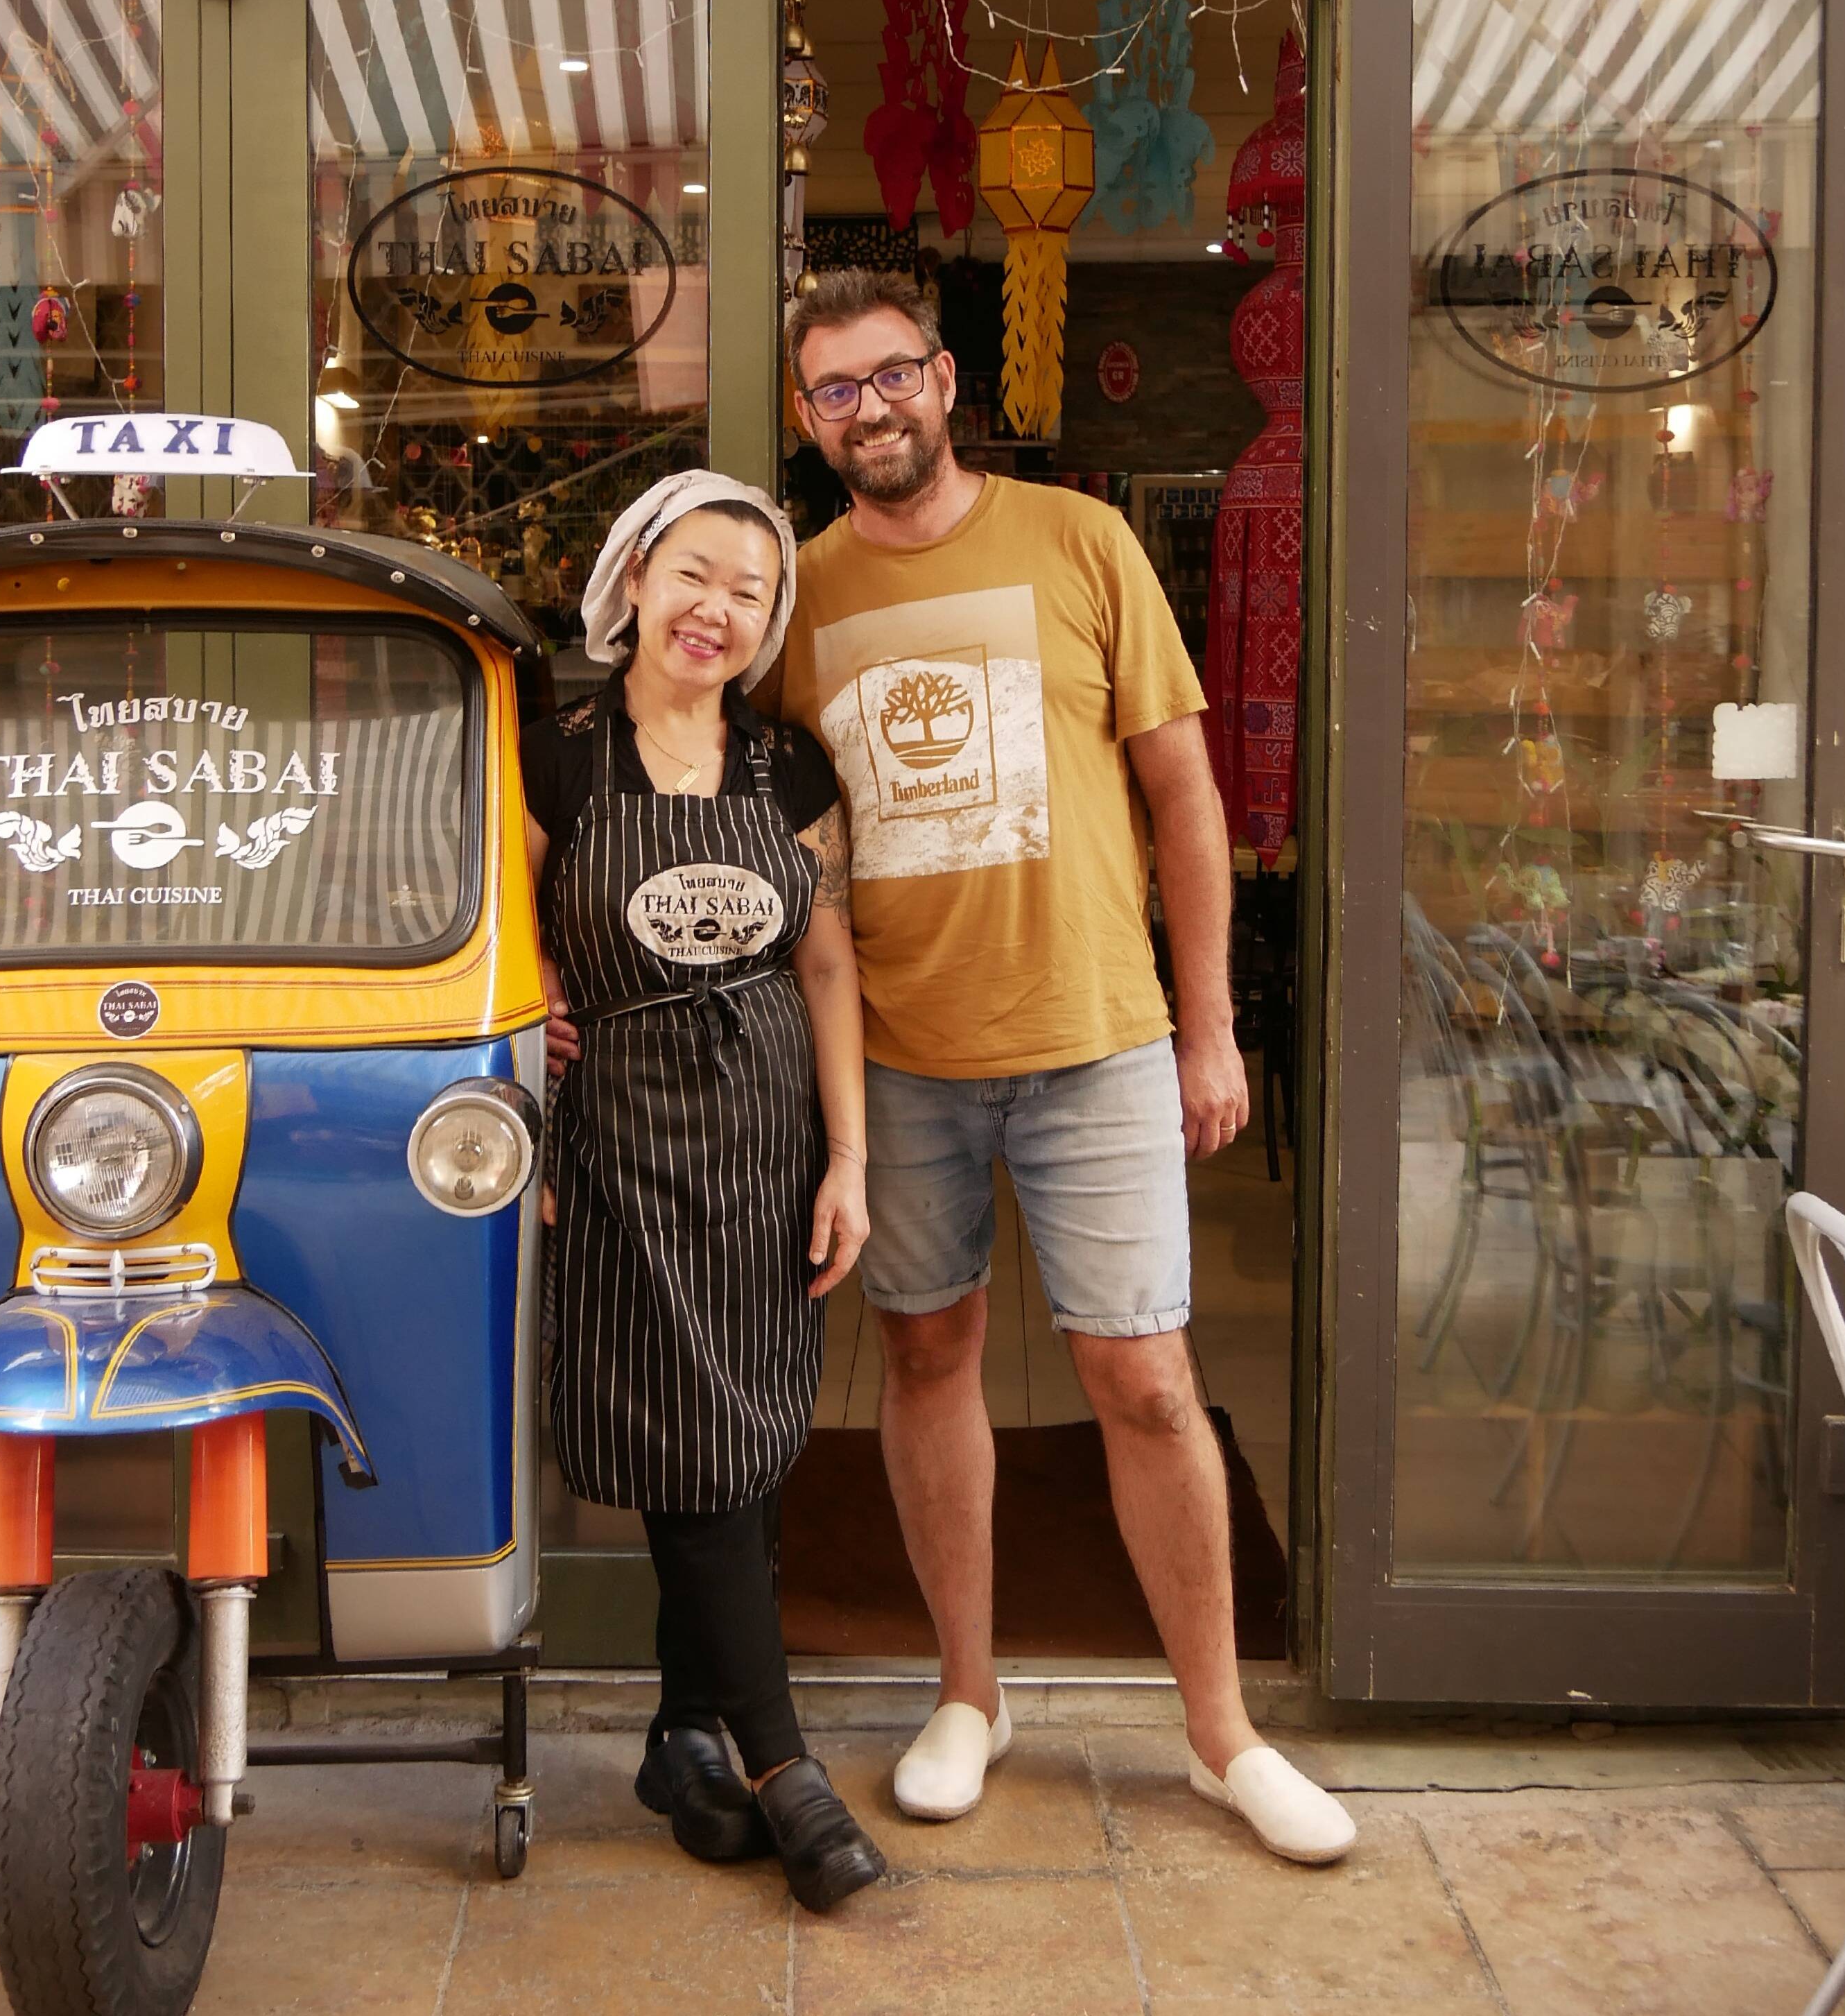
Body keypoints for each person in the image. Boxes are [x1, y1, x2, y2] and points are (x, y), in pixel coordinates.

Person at [771, 270, 1355, 1867]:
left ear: (945, 381)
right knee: (926, 1360)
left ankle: (1224, 1733)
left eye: (891, 374)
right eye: (834, 389)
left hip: (1096, 1038)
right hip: (897, 1052)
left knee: (1145, 1381)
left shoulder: (1078, 543)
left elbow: (1184, 801)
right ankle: (967, 1692)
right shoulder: (796, 597)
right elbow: (754, 826)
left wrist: (1210, 1021)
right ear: (806, 418)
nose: (869, 407)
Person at [523, 469, 887, 1912]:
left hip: (762, 1150)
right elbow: (501, 939)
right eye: (692, 573)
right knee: (692, 1440)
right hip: (615, 1142)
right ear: (632, 581)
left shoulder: (784, 771)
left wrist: (847, 1157)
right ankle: (786, 1764)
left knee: (742, 1441)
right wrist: (533, 1005)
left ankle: (685, 1740)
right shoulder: (555, 761)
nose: (714, 608)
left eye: (748, 588)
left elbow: (828, 962)